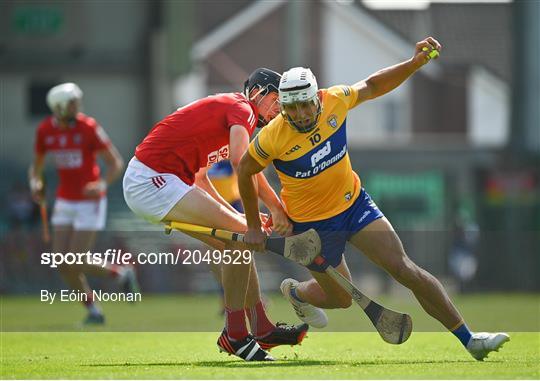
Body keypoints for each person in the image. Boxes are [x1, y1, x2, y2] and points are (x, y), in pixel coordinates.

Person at [237, 38, 509, 361]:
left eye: (306, 103)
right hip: (312, 228)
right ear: (283, 107)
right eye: (292, 107)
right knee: (341, 299)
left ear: (317, 97)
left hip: (354, 206)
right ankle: (296, 292)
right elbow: (244, 170)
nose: (301, 113)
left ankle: (469, 339)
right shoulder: (272, 136)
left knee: (404, 268)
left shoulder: (335, 99)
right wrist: (257, 223)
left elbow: (373, 85)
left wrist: (414, 63)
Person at [122, 68, 308, 361]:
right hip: (152, 180)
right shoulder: (242, 109)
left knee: (231, 242)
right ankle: (236, 334)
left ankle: (259, 327)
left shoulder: (231, 114)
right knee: (240, 238)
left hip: (159, 181)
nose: (279, 110)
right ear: (258, 93)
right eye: (276, 100)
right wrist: (270, 209)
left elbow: (199, 178)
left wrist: (242, 218)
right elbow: (242, 163)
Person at [29, 82, 138, 325]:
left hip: (90, 202)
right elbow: (35, 168)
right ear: (58, 107)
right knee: (61, 262)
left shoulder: (89, 127)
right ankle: (94, 310)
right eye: (72, 103)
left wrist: (101, 184)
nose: (77, 106)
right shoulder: (45, 130)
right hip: (65, 200)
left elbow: (115, 163)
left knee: (76, 259)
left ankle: (120, 274)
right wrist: (36, 184)